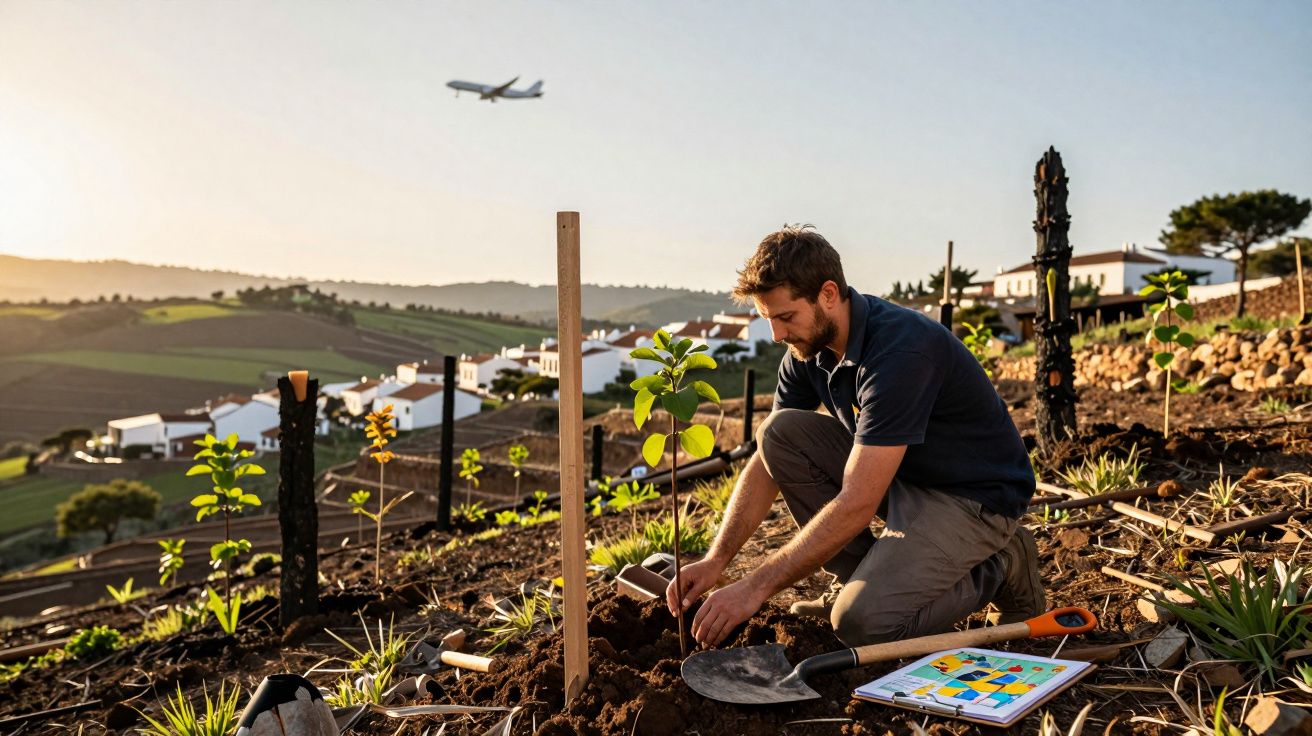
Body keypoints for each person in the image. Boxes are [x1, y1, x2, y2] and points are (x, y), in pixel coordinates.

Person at [666, 226, 1042, 648]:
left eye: (786, 317)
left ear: (828, 294)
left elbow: (857, 503)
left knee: (862, 625)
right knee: (778, 434)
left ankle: (1003, 563)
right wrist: (717, 559)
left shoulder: (899, 352)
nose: (777, 336)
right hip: (903, 476)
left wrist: (754, 588)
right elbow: (765, 462)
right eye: (769, 320)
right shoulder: (808, 351)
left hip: (973, 498)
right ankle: (857, 579)